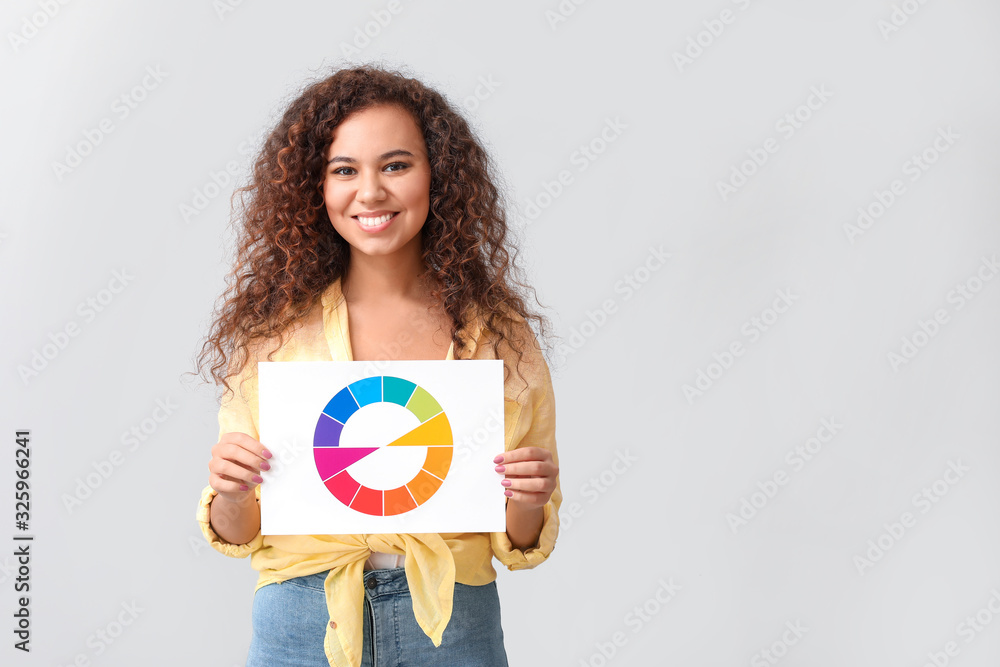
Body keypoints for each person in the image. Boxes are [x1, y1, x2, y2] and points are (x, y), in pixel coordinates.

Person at [191, 63, 561, 667]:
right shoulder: (271, 333)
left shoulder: (500, 334)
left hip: (450, 622)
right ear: (315, 187)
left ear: (437, 176)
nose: (370, 192)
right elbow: (238, 532)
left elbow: (519, 541)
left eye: (395, 165)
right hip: (303, 620)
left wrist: (528, 495)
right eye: (344, 170)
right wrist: (231, 489)